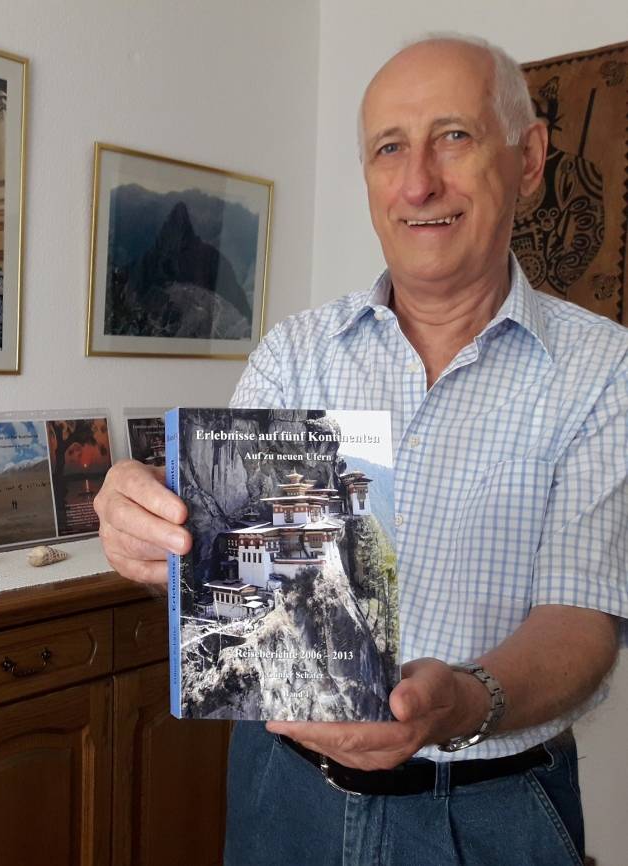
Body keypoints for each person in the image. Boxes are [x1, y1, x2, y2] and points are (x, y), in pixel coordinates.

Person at [95, 35, 627, 866]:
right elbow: (228, 554)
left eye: (453, 136)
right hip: (283, 794)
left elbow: (583, 620)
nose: (418, 182)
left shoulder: (604, 369)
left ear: (528, 159)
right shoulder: (294, 351)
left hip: (490, 813)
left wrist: (461, 700)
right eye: (389, 149)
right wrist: (149, 518)